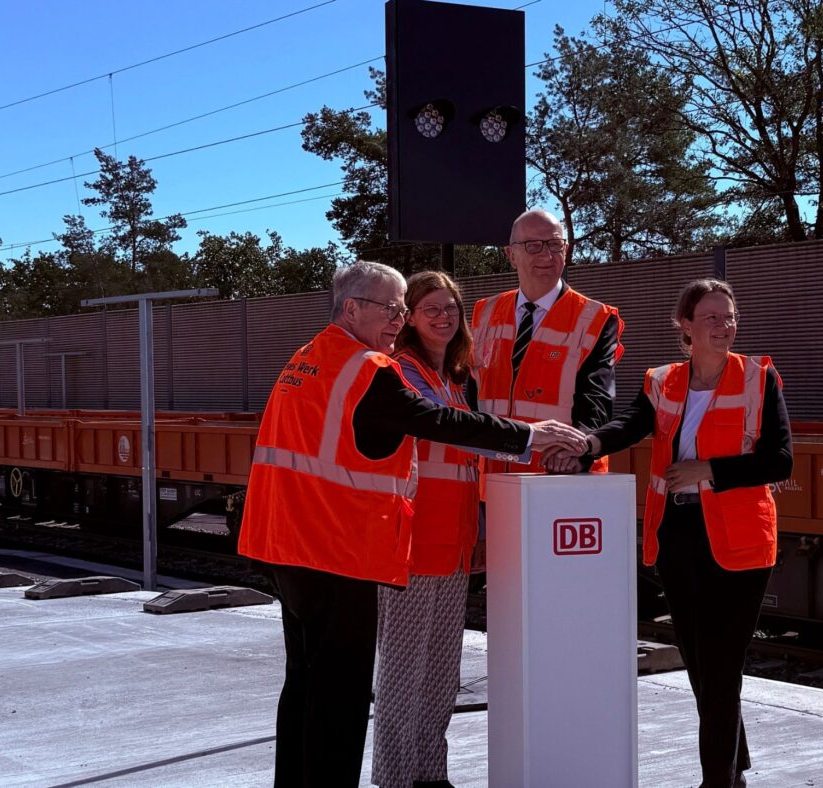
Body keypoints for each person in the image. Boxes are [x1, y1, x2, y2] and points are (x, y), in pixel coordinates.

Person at [237, 261, 587, 788]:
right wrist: (529, 436)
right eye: (392, 307)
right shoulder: (367, 368)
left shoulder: (307, 357)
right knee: (340, 699)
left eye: (403, 309)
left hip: (284, 543)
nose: (399, 319)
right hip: (334, 550)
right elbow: (437, 420)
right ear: (351, 307)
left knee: (305, 685)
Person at [548, 278, 792, 788]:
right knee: (701, 663)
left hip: (742, 540)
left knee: (721, 667)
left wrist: (709, 470)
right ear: (685, 325)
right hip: (678, 534)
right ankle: (735, 767)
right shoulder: (663, 381)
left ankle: (717, 782)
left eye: (730, 317)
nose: (724, 327)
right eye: (712, 318)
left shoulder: (758, 379)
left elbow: (779, 460)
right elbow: (631, 427)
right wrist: (587, 445)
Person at [372, 271, 518, 788]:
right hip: (413, 544)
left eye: (450, 308)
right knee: (401, 678)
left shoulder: (455, 380)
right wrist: (529, 440)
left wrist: (477, 531)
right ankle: (394, 778)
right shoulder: (400, 373)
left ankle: (431, 776)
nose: (442, 316)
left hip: (452, 543)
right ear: (409, 316)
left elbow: (464, 464)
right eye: (430, 307)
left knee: (439, 676)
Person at [469, 208, 624, 472]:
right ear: (511, 255)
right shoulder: (485, 312)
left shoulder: (595, 317)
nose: (546, 255)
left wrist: (580, 450)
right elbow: (473, 394)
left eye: (555, 244)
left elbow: (597, 397)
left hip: (560, 475)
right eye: (533, 246)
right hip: (492, 476)